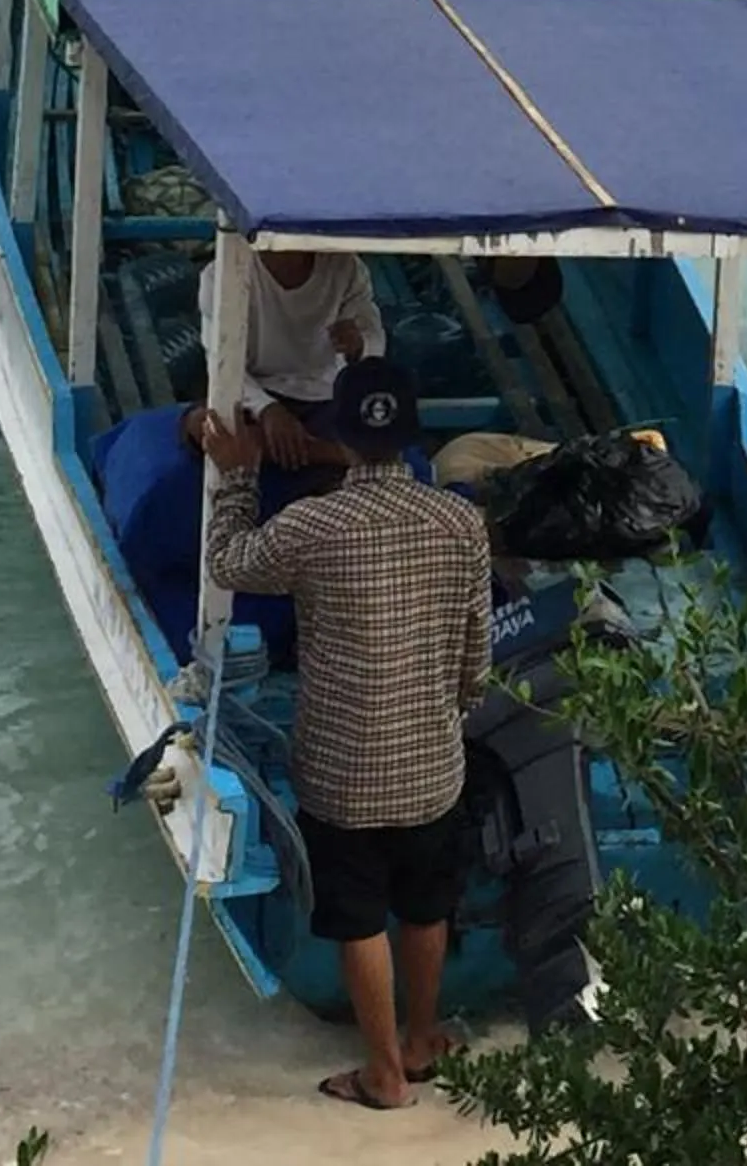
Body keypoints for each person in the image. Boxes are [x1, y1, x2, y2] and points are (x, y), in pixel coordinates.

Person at [204, 357, 491, 1110]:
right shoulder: (460, 522)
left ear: (339, 433)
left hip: (341, 770)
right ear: (410, 435)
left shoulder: (309, 526)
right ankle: (423, 1038)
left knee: (358, 914)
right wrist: (445, 717)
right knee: (428, 904)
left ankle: (383, 1074)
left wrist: (236, 478)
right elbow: (475, 652)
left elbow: (228, 563)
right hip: (433, 763)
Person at [196, 247, 384, 471]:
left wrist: (358, 346)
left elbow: (372, 340)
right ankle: (342, 455)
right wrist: (267, 409)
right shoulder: (221, 275)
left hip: (327, 396)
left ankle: (309, 451)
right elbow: (222, 365)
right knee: (202, 424)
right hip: (258, 392)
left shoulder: (346, 266)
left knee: (379, 420)